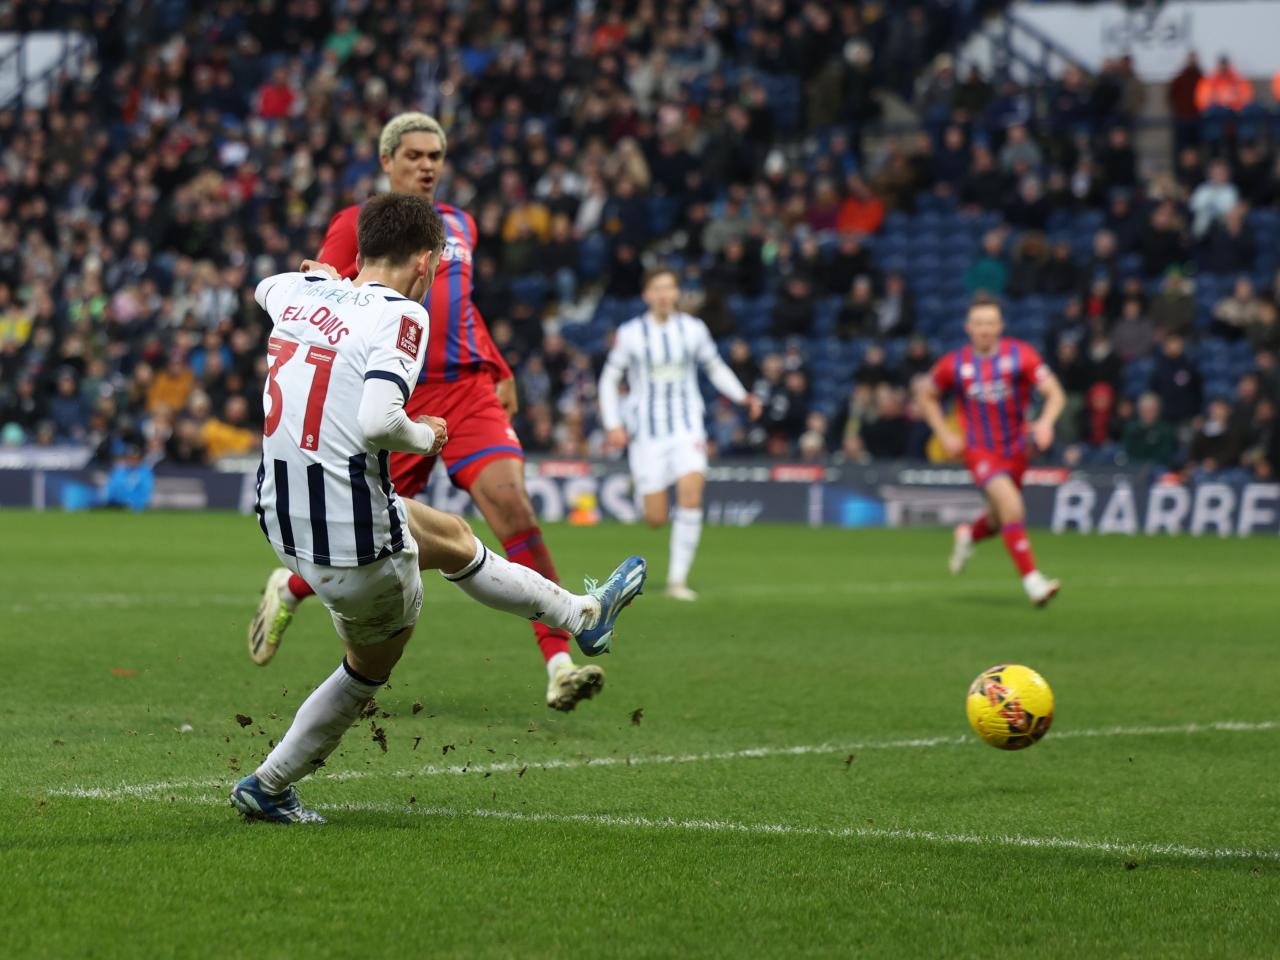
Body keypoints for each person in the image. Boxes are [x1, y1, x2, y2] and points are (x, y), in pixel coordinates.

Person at [232, 195, 645, 824]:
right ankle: (270, 783)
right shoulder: (402, 316)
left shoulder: (295, 292)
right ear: (427, 263)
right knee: (368, 668)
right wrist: (427, 433)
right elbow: (378, 419)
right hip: (355, 544)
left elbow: (267, 285)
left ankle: (581, 615)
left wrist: (321, 279)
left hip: (280, 515)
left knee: (452, 535)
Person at [248, 113, 600, 713]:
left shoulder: (461, 225)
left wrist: (496, 362)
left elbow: (459, 305)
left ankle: (559, 661)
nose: (427, 165)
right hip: (394, 396)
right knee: (380, 530)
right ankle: (294, 584)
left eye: (435, 154)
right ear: (387, 162)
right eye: (413, 155)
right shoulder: (356, 225)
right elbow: (325, 285)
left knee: (512, 504)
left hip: (464, 389)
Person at [598, 268, 762, 600]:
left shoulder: (693, 329)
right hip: (646, 433)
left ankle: (677, 581)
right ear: (647, 295)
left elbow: (714, 366)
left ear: (676, 293)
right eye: (657, 288)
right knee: (656, 518)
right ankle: (646, 491)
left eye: (669, 288)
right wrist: (613, 423)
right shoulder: (631, 333)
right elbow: (609, 379)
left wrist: (742, 395)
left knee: (691, 495)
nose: (663, 294)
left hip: (687, 427)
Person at [915, 294, 1067, 607]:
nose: (985, 329)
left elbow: (1055, 393)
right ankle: (1034, 582)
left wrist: (1046, 423)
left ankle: (969, 535)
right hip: (979, 451)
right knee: (1013, 507)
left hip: (1016, 450)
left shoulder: (1020, 355)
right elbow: (926, 394)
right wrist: (944, 432)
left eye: (991, 323)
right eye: (979, 323)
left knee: (999, 520)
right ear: (968, 327)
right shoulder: (954, 364)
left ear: (1001, 326)